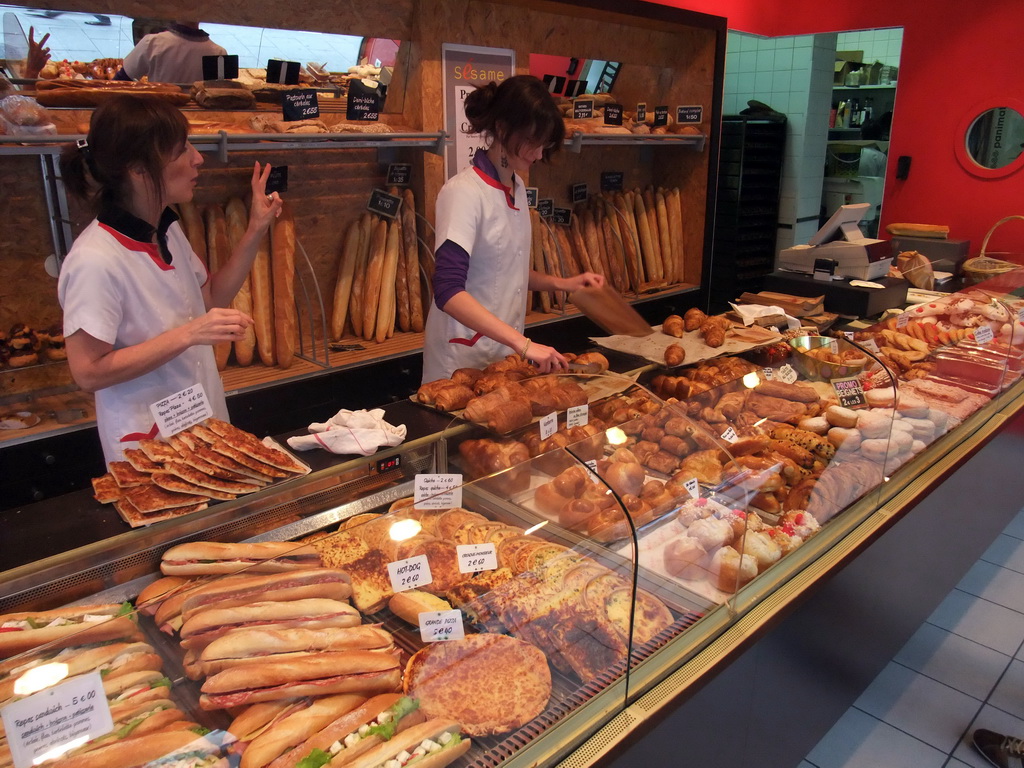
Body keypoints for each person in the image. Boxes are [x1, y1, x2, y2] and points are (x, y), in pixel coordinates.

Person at [57, 95, 282, 463]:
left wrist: (257, 227)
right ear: (138, 169)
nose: (197, 158)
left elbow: (210, 300)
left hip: (201, 422)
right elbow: (87, 372)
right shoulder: (94, 260)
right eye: (181, 150)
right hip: (148, 445)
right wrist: (190, 333)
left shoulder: (166, 228)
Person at [422, 74, 604, 383]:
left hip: (503, 356)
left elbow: (503, 269)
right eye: (533, 143)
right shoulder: (463, 192)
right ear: (503, 129)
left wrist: (565, 284)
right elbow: (448, 290)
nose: (538, 154)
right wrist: (525, 344)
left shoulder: (516, 187)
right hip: (461, 361)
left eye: (544, 145)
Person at [115, 21, 226, 84]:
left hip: (159, 117)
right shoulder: (219, 53)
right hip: (200, 121)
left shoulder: (152, 43)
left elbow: (119, 83)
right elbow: (226, 97)